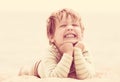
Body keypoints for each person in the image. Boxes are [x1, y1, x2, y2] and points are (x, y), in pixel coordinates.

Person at [19, 8, 96, 80]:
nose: (70, 28)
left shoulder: (83, 50)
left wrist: (77, 51)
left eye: (75, 25)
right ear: (51, 36)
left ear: (82, 34)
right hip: (39, 68)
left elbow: (87, 76)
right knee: (28, 71)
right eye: (63, 25)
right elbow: (54, 78)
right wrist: (68, 53)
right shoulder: (50, 52)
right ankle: (24, 69)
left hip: (66, 68)